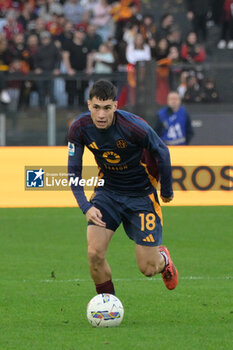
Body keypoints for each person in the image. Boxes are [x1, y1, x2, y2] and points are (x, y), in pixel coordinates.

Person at [68, 79, 178, 296]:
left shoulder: (134, 126)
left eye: (107, 108)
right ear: (89, 105)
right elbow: (73, 172)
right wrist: (85, 206)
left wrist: (166, 190)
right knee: (94, 254)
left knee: (147, 268)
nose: (101, 115)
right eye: (96, 107)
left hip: (141, 196)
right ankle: (107, 306)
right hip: (107, 193)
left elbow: (162, 151)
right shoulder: (79, 128)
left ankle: (163, 259)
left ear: (115, 106)